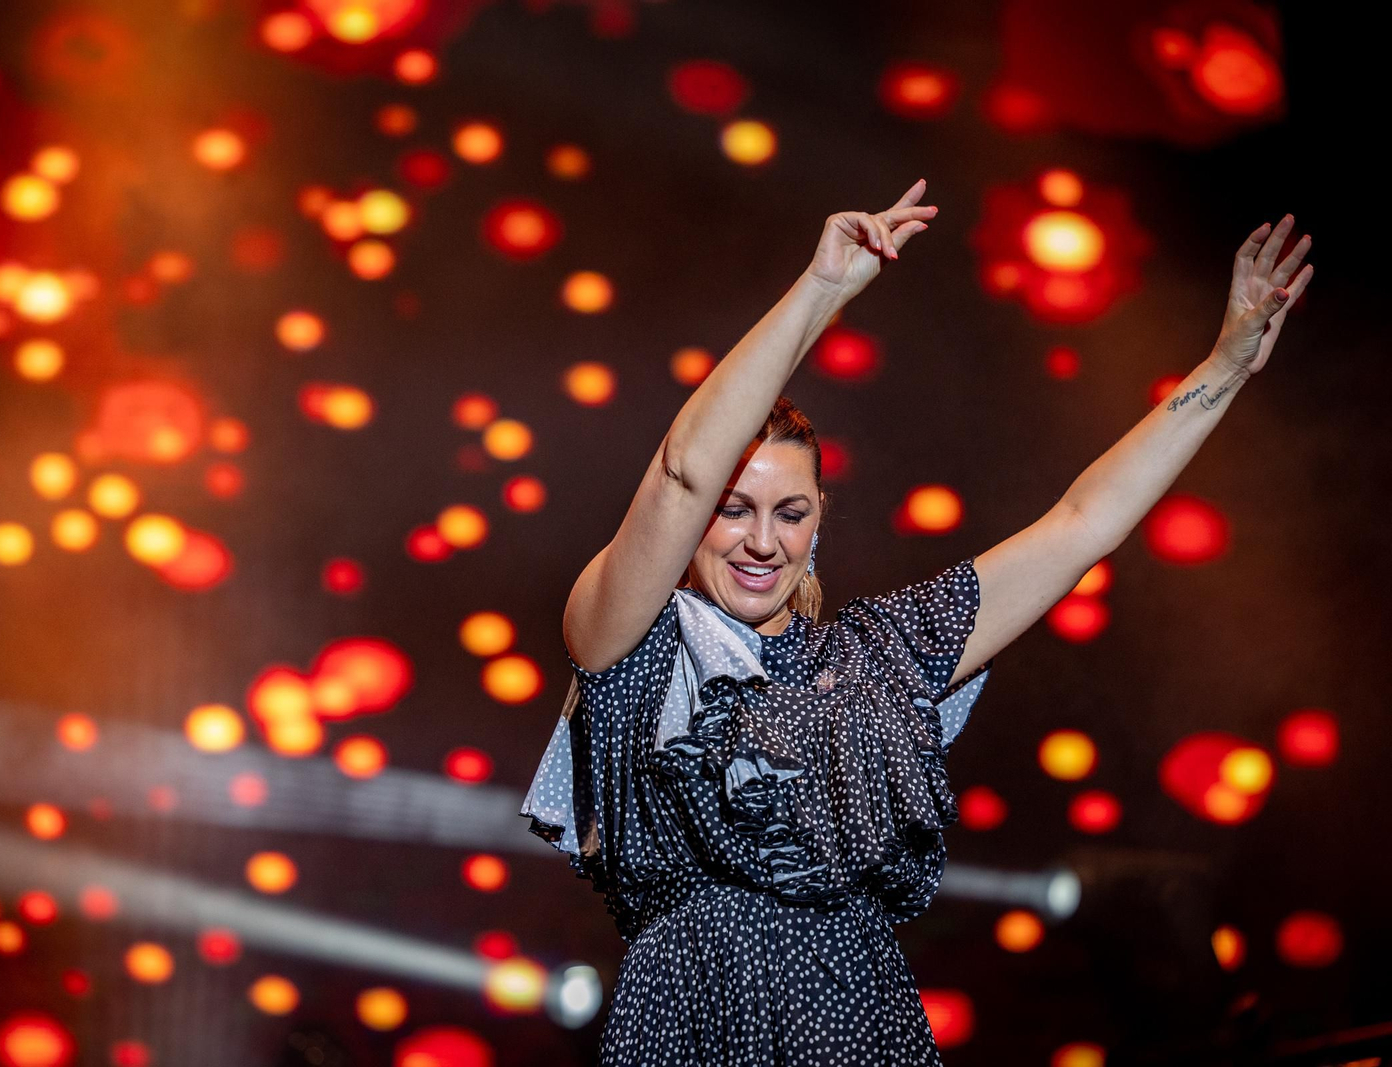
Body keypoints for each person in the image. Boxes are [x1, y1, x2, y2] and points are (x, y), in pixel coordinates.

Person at [521, 179, 1313, 1065]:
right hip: (694, 1017)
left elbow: (1081, 524)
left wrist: (1225, 365)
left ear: (821, 518)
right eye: (733, 508)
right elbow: (679, 471)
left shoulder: (883, 652)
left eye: (789, 512)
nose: (759, 540)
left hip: (864, 1016)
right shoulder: (634, 645)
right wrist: (822, 289)